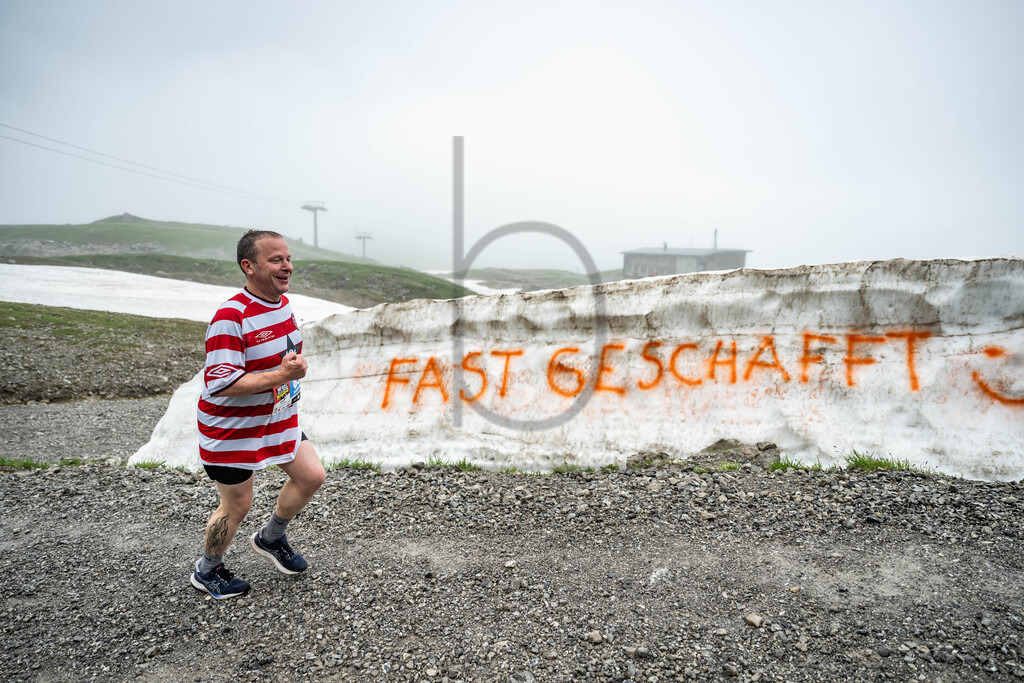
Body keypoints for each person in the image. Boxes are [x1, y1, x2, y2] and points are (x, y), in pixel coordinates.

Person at [190, 229, 326, 599]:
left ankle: (271, 538)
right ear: (248, 266)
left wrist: (290, 366)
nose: (287, 267)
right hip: (231, 431)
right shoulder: (230, 317)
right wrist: (283, 374)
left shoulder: (282, 304)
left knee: (312, 476)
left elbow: (279, 354)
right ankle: (207, 570)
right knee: (238, 504)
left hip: (276, 417)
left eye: (289, 259)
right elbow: (221, 382)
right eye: (276, 260)